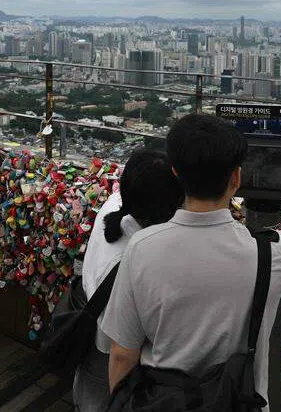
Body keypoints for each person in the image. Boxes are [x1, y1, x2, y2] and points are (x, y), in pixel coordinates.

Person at [101, 113, 281, 409]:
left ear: (175, 173)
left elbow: (123, 353)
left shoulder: (141, 248)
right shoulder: (272, 253)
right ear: (236, 178)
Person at [73, 148, 183, 412]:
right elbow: (120, 350)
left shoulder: (112, 206)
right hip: (109, 355)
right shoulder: (135, 259)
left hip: (91, 337)